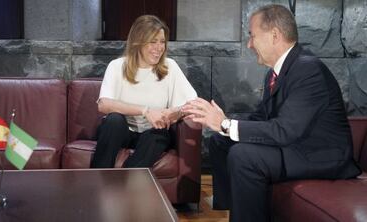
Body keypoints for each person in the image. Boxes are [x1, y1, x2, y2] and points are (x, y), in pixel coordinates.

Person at [182, 4, 361, 222]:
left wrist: (226, 124)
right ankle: (229, 209)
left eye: (252, 36)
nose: (249, 44)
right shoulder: (275, 73)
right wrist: (220, 123)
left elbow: (285, 130)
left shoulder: (307, 69)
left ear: (274, 35)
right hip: (295, 145)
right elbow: (261, 118)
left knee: (244, 155)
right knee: (221, 141)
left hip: (320, 155)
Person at [91, 15, 198, 168]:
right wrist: (145, 111)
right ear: (137, 42)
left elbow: (193, 103)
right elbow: (103, 104)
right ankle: (97, 182)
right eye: (153, 42)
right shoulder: (117, 66)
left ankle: (127, 183)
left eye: (162, 42)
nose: (159, 48)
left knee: (159, 133)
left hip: (152, 133)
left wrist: (175, 112)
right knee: (114, 120)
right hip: (122, 131)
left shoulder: (170, 67)